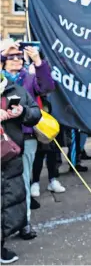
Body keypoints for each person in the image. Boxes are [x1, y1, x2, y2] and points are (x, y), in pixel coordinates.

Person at [1, 41, 56, 240]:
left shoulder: (28, 78)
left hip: (25, 137)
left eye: (18, 56)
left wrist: (38, 62)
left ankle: (24, 223)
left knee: (21, 183)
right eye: (10, 56)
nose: (16, 59)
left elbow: (48, 87)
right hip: (1, 138)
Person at [1, 71, 43, 263]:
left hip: (11, 155)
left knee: (9, 200)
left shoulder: (15, 89)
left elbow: (35, 112)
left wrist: (23, 112)